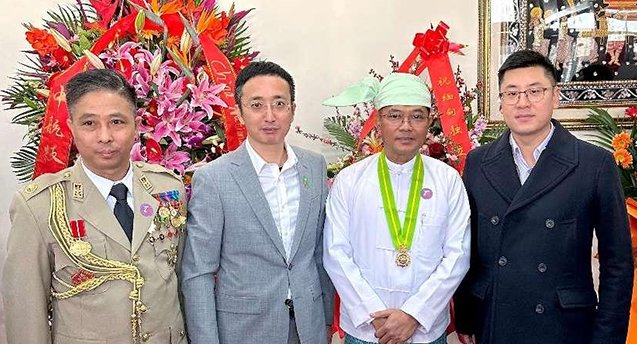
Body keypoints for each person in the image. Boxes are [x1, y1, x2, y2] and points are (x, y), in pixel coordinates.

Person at [454, 50, 634, 344]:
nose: (522, 102)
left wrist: (608, 337)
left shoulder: (594, 164)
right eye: (511, 93)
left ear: (556, 96)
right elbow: (467, 246)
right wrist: (466, 314)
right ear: (501, 102)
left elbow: (618, 262)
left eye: (535, 91)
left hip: (564, 325)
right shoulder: (478, 162)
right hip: (495, 319)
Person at [2, 68, 188, 343]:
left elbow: (180, 280)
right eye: (89, 123)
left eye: (117, 122)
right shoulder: (39, 206)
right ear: (72, 128)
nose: (105, 136)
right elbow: (25, 313)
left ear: (136, 125)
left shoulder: (168, 189)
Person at [181, 61, 333, 344]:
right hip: (244, 329)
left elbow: (318, 254)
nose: (270, 116)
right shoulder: (214, 178)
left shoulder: (314, 166)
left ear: (293, 109)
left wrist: (324, 320)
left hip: (307, 325)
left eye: (279, 103)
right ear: (238, 112)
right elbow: (198, 271)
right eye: (256, 105)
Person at [322, 73, 471, 344]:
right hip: (367, 330)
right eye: (394, 116)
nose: (406, 126)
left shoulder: (448, 180)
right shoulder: (350, 180)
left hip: (424, 330)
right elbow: (335, 253)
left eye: (417, 116)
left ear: (429, 122)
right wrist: (374, 316)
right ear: (378, 122)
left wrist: (414, 315)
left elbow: (457, 256)